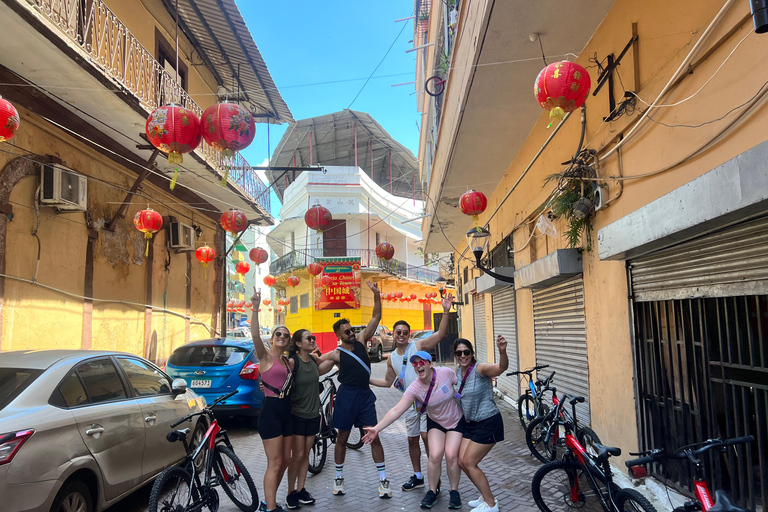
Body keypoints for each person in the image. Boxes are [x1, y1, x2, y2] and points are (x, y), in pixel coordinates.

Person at [370, 292, 455, 492]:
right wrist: (367, 380)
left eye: (405, 332)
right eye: (398, 332)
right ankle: (418, 476)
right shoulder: (391, 358)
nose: (401, 335)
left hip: (427, 402)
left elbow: (440, 335)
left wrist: (445, 312)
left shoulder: (417, 346)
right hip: (410, 404)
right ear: (393, 334)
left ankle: (434, 476)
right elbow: (388, 381)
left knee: (426, 437)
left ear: (409, 335)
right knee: (412, 439)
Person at [363, 351, 465, 510]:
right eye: (415, 364)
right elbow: (396, 410)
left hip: (455, 420)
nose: (418, 366)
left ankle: (454, 492)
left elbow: (464, 382)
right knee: (435, 455)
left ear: (430, 364)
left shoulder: (446, 373)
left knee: (451, 455)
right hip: (436, 422)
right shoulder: (415, 387)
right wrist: (377, 429)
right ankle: (432, 491)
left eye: (422, 362)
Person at [318, 281, 391, 498]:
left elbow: (376, 317)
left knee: (373, 436)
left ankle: (383, 481)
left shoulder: (361, 341)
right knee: (342, 437)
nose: (351, 333)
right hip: (347, 396)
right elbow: (317, 368)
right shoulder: (336, 354)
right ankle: (338, 478)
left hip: (365, 396)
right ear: (339, 335)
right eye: (347, 331)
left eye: (351, 330)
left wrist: (376, 294)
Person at [251, 288, 294, 512]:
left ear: (289, 342)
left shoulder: (289, 362)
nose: (282, 337)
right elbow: (255, 336)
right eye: (278, 334)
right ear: (273, 338)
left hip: (286, 412)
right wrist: (255, 307)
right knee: (275, 462)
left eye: (285, 335)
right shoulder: (265, 357)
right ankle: (270, 508)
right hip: (270, 413)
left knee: (285, 460)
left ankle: (269, 502)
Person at [455, 336, 508, 512]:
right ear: (455, 355)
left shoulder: (479, 368)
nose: (463, 356)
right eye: (459, 353)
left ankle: (491, 504)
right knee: (462, 462)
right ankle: (486, 497)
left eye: (466, 352)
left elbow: (501, 368)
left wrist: (502, 351)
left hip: (488, 421)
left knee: (469, 462)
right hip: (470, 423)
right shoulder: (458, 371)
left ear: (471, 353)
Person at [285, 329, 334, 509]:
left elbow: (328, 362)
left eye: (313, 338)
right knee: (297, 455)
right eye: (309, 338)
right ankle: (290, 493)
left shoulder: (313, 360)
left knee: (305, 454)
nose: (312, 340)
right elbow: (279, 379)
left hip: (314, 414)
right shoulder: (293, 362)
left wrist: (341, 353)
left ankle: (301, 490)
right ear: (298, 344)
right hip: (297, 415)